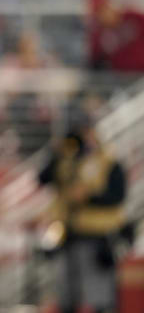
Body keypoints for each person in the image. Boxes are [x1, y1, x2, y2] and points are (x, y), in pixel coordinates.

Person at [39, 124, 127, 313]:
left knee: (99, 295)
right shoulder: (68, 161)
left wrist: (89, 197)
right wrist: (57, 152)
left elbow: (118, 196)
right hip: (67, 234)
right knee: (66, 295)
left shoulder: (109, 162)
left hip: (97, 237)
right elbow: (43, 178)